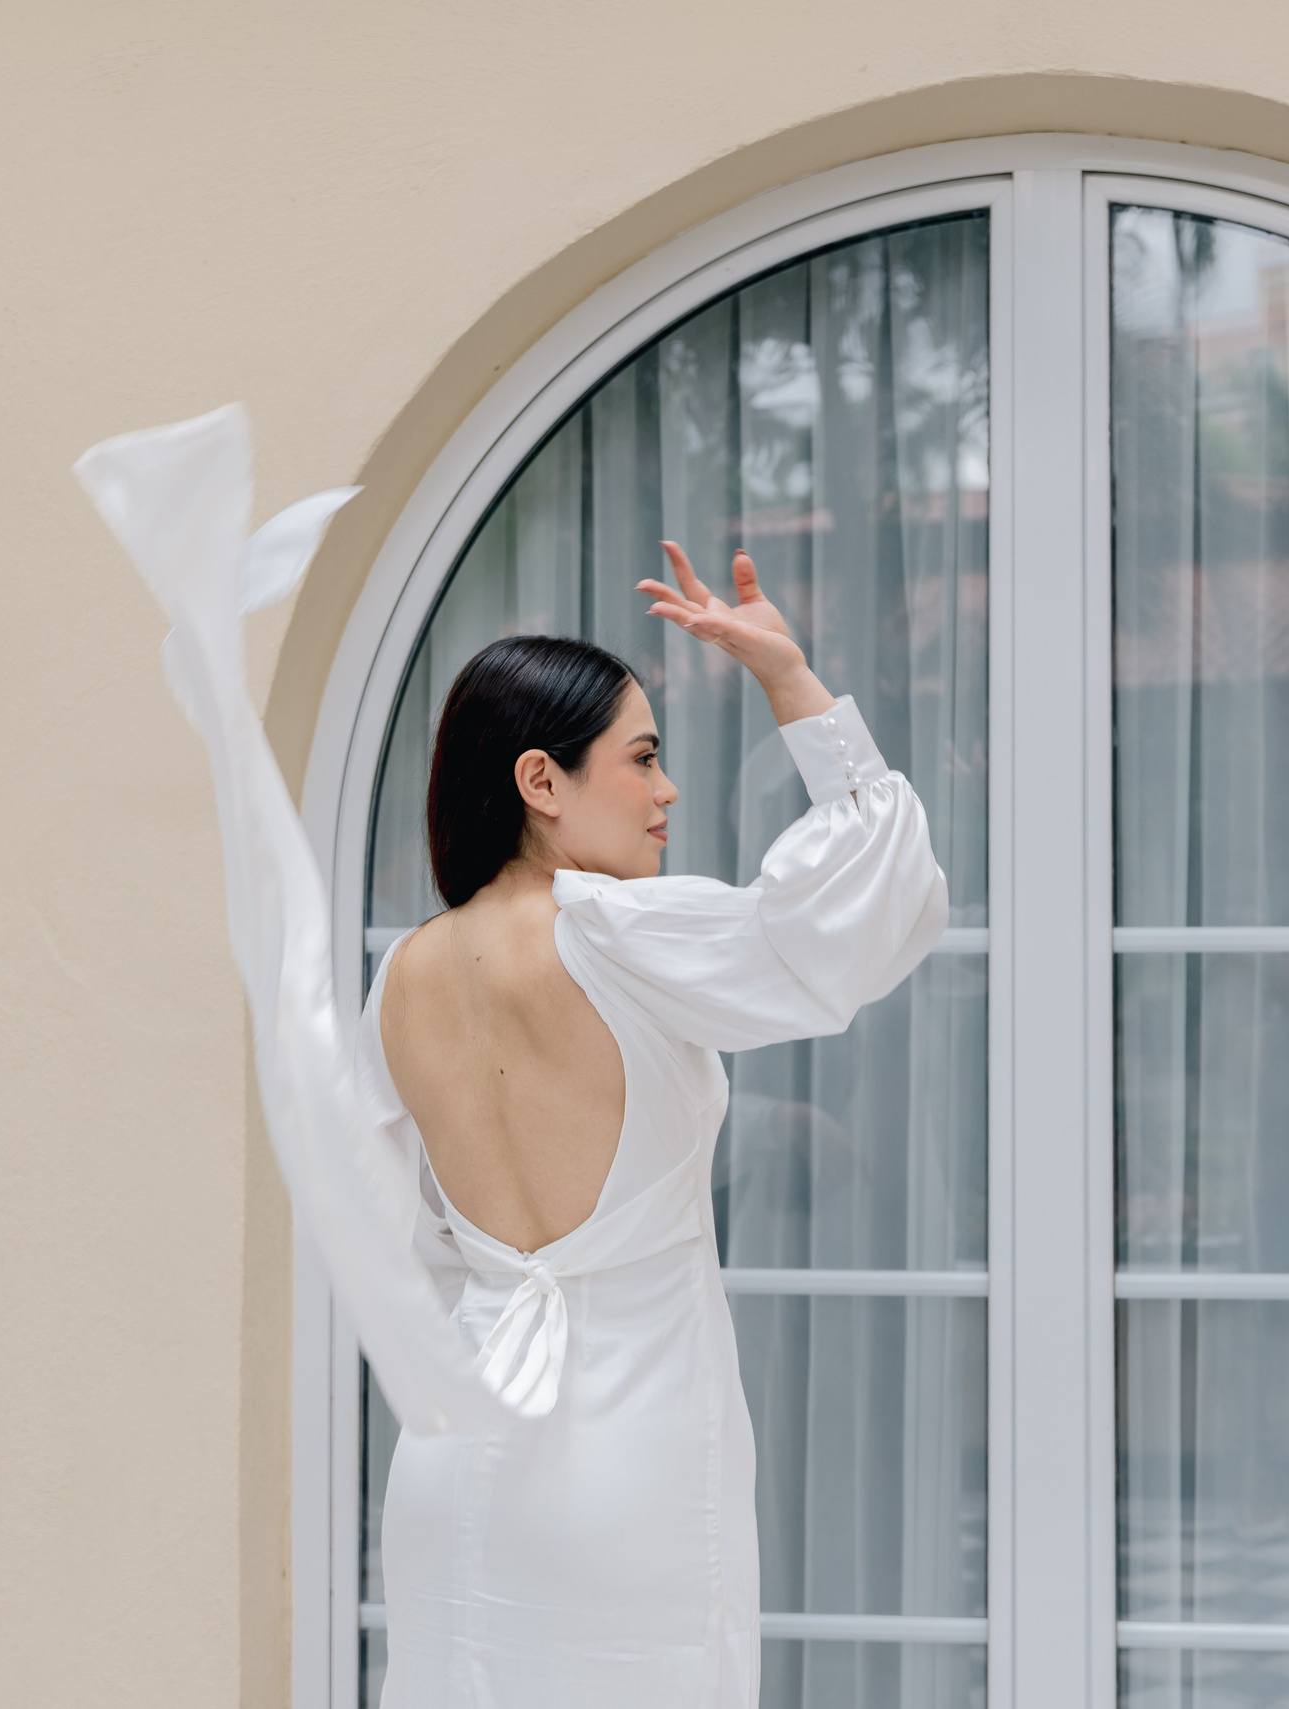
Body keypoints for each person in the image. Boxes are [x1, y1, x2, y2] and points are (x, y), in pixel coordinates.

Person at [73, 408, 947, 1709]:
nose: (665, 791)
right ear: (543, 779)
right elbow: (850, 917)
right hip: (631, 1465)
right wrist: (792, 684)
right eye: (642, 757)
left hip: (458, 1459)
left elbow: (396, 1237)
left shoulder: (404, 972)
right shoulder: (615, 931)